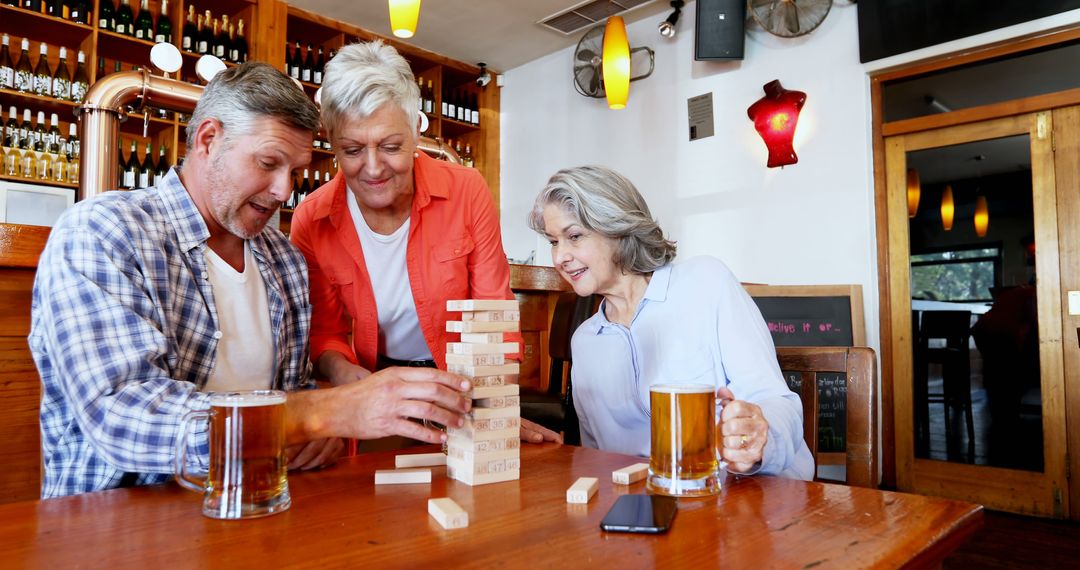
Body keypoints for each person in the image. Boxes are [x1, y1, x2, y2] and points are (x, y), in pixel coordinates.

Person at [30, 62, 475, 499]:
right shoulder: (105, 232)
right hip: (116, 525)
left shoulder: (282, 259)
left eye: (296, 172)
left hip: (262, 509)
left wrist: (317, 432)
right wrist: (324, 414)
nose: (284, 191)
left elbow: (299, 401)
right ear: (208, 139)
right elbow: (122, 416)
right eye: (268, 163)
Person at [289, 41, 558, 444]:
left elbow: (493, 313)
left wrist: (491, 406)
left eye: (391, 146)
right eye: (353, 150)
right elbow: (323, 334)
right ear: (330, 140)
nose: (374, 168)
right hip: (373, 387)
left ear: (417, 129)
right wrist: (355, 386)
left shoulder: (466, 190)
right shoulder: (312, 219)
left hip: (460, 380)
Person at [527, 166, 814, 479]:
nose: (559, 257)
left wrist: (759, 436)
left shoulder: (707, 283)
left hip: (755, 499)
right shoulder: (586, 340)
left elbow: (776, 401)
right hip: (654, 509)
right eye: (554, 242)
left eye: (574, 236)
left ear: (619, 228)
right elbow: (596, 457)